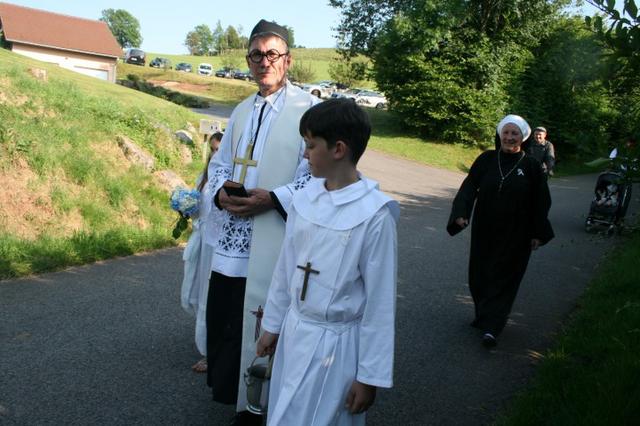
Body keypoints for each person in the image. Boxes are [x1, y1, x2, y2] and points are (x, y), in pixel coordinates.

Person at [204, 19, 319, 426]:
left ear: (287, 60)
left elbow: (315, 173)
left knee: (263, 319)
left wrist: (273, 199)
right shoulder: (239, 110)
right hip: (232, 239)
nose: (264, 61)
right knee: (229, 317)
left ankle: (259, 405)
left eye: (272, 54)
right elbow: (219, 165)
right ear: (248, 61)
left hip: (273, 235)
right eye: (256, 54)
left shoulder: (306, 108)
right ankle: (231, 393)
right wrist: (219, 193)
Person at [257, 98, 399, 425]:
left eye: (310, 145)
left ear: (338, 149)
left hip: (336, 347)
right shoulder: (304, 199)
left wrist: (369, 376)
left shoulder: (375, 216)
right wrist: (272, 325)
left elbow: (380, 302)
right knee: (284, 413)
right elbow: (286, 269)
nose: (304, 153)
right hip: (295, 333)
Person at [447, 114, 554, 348]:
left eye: (514, 133)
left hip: (518, 233)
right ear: (500, 135)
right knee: (480, 274)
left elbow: (541, 202)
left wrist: (537, 232)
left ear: (523, 137)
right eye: (505, 132)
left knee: (505, 277)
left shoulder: (532, 166)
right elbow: (469, 187)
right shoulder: (486, 160)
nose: (509, 137)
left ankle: (493, 326)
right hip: (485, 229)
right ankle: (484, 314)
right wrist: (461, 213)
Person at [181, 131, 224, 373]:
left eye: (220, 150)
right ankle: (205, 340)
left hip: (215, 246)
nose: (215, 155)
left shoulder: (226, 180)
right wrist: (186, 207)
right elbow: (199, 207)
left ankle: (209, 351)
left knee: (209, 294)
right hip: (200, 240)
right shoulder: (204, 178)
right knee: (192, 290)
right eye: (213, 150)